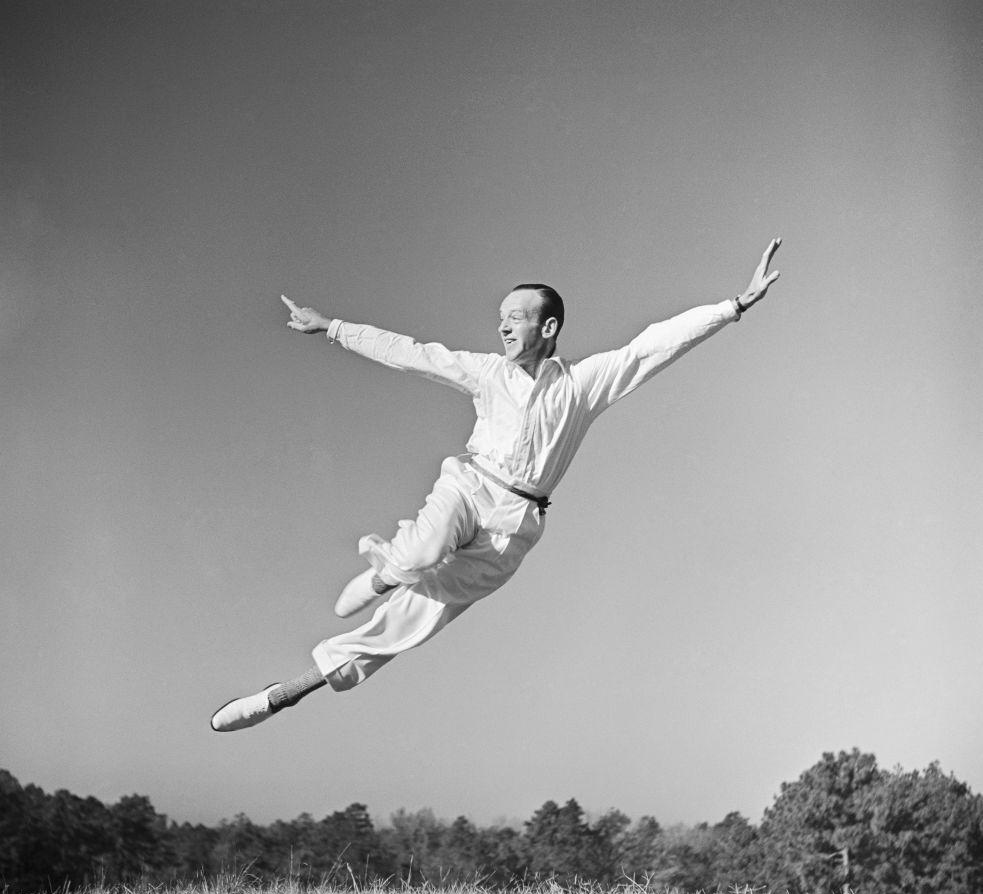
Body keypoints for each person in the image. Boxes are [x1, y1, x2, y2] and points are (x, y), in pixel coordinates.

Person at [211, 239, 782, 732]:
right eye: (500, 314)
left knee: (411, 624)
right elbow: (412, 354)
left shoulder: (582, 386)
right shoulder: (488, 373)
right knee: (423, 550)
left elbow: (653, 346)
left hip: (515, 527)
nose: (503, 323)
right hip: (470, 485)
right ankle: (387, 570)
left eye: (516, 315)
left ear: (548, 326)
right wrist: (333, 328)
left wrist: (733, 307)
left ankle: (284, 692)